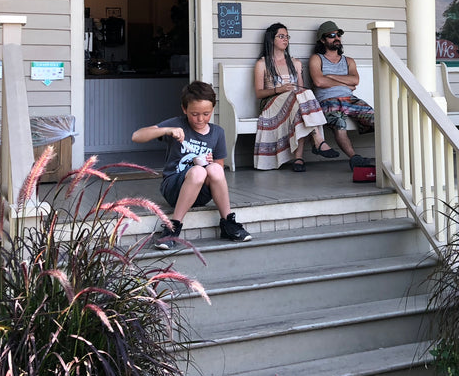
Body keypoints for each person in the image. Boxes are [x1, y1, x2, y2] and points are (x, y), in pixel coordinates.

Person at [132, 80, 251, 249]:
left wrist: (210, 163)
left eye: (206, 113)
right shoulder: (177, 124)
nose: (200, 119)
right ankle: (173, 227)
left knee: (215, 169)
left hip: (201, 192)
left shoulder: (217, 133)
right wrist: (166, 130)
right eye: (194, 114)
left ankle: (228, 223)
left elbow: (219, 169)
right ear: (184, 109)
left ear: (213, 109)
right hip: (174, 188)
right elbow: (137, 136)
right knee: (197, 172)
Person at [253, 22, 340, 172]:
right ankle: (317, 140)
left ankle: (298, 158)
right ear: (271, 39)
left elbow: (301, 89)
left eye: (287, 36)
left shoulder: (295, 63)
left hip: (294, 103)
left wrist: (292, 92)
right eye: (281, 36)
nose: (285, 39)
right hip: (271, 104)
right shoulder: (262, 63)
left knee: (300, 102)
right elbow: (259, 93)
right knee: (298, 98)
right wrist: (278, 89)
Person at [309, 20, 376, 170]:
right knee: (339, 122)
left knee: (376, 119)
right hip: (328, 100)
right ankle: (354, 158)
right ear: (322, 40)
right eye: (332, 35)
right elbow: (319, 82)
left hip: (350, 100)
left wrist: (330, 76)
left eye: (338, 34)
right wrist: (347, 84)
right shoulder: (317, 59)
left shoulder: (349, 61)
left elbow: (355, 80)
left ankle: (391, 159)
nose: (336, 38)